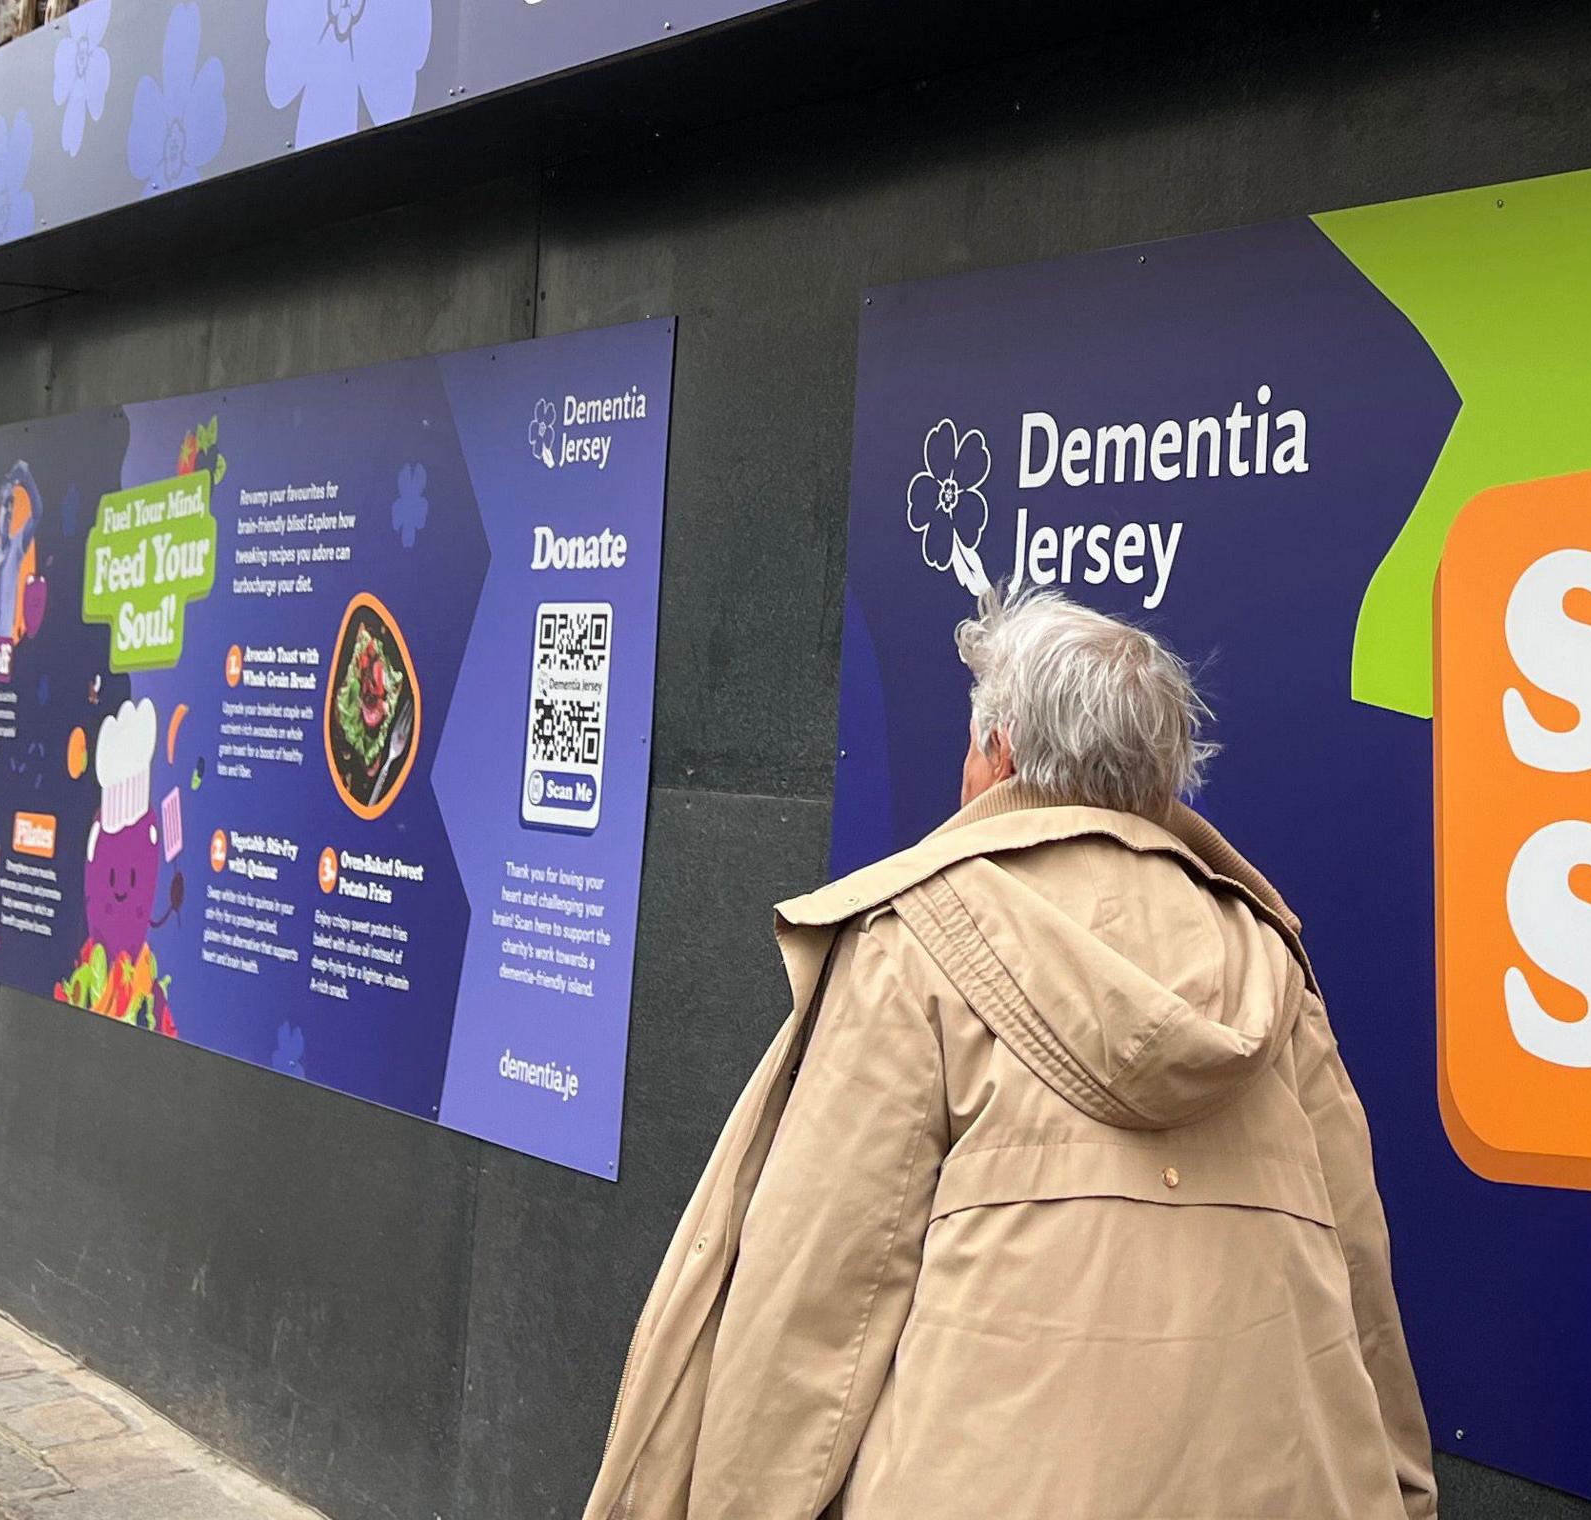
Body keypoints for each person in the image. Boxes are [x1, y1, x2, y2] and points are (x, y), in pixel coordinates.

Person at [580, 590, 1435, 1520]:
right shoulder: (1269, 961)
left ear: (1004, 756)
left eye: (970, 745)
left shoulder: (915, 943)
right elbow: (1359, 1278)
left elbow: (814, 1307)